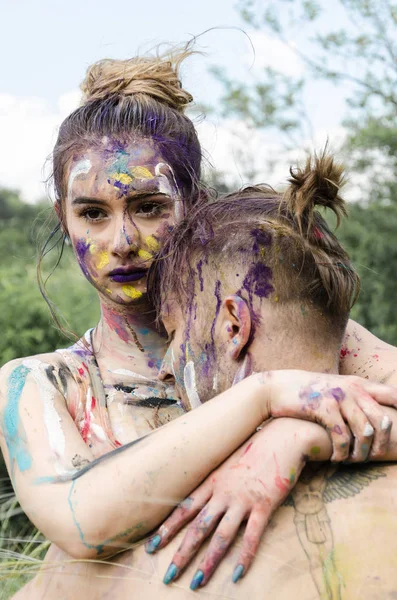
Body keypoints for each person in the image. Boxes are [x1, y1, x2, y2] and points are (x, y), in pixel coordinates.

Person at [1, 47, 396, 598]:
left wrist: (293, 436)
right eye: (93, 213)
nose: (123, 243)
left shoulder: (284, 326)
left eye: (149, 206)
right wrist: (265, 396)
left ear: (196, 203)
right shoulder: (44, 385)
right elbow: (80, 523)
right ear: (63, 220)